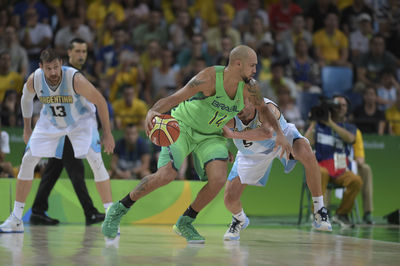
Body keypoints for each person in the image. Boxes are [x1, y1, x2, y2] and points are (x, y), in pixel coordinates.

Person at [102, 45, 293, 243]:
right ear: (238, 64)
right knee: (166, 175)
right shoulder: (209, 77)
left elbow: (264, 110)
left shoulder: (250, 87)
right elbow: (176, 97)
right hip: (183, 127)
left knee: (218, 179)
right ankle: (119, 209)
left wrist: (279, 133)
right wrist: (153, 110)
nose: (255, 70)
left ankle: (185, 222)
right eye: (252, 65)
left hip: (212, 135)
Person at [0, 48, 114, 233]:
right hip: (50, 121)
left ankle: (111, 218)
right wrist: (27, 128)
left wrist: (107, 134)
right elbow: (26, 99)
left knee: (95, 159)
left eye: (55, 67)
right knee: (28, 160)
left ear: (61, 64)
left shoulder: (75, 79)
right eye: (48, 68)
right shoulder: (34, 79)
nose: (53, 72)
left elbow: (100, 101)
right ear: (41, 68)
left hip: (81, 121)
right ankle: (16, 219)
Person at [222, 98, 332, 241]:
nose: (239, 108)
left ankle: (319, 210)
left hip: (282, 139)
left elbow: (266, 133)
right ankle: (239, 219)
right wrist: (224, 146)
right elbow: (215, 130)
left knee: (306, 152)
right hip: (252, 154)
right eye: (236, 103)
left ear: (252, 101)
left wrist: (232, 135)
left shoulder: (267, 108)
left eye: (243, 102)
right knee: (229, 199)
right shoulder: (228, 114)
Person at [29, 39, 108, 226]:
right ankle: (90, 212)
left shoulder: (76, 74)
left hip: (68, 129)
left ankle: (37, 211)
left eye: (84, 51)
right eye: (78, 51)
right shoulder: (64, 74)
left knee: (53, 170)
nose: (81, 55)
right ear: (69, 53)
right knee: (75, 170)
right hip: (66, 130)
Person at [304, 95, 363, 227]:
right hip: (322, 167)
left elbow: (350, 139)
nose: (340, 108)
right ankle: (318, 214)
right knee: (322, 173)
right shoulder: (318, 126)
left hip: (340, 170)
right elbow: (306, 142)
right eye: (337, 105)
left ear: (347, 109)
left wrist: (330, 123)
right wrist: (314, 122)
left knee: (356, 181)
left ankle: (341, 215)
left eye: (343, 105)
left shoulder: (349, 127)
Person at [353, 129, 374, 224]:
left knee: (366, 169)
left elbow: (361, 159)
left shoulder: (354, 132)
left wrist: (352, 161)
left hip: (348, 166)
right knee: (323, 171)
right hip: (329, 166)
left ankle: (367, 212)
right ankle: (324, 210)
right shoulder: (322, 128)